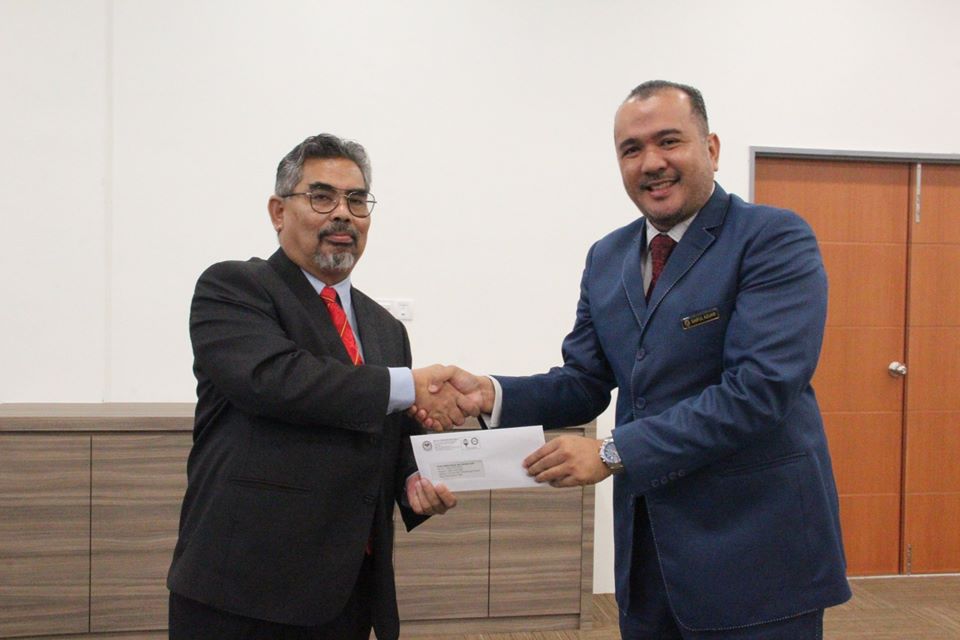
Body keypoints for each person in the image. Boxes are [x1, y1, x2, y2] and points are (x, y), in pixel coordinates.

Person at [420, 81, 851, 638]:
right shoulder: (607, 256)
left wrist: (613, 451)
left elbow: (758, 390)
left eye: (669, 141)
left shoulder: (772, 238)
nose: (651, 163)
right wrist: (490, 393)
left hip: (758, 557)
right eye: (631, 149)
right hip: (649, 562)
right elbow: (584, 381)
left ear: (711, 148)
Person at [167, 133, 478, 640]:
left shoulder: (386, 329)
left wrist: (413, 483)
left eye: (357, 200)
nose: (342, 214)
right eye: (321, 197)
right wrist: (410, 385)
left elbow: (390, 437)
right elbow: (279, 380)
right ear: (278, 211)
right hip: (243, 590)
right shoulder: (234, 288)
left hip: (348, 593)